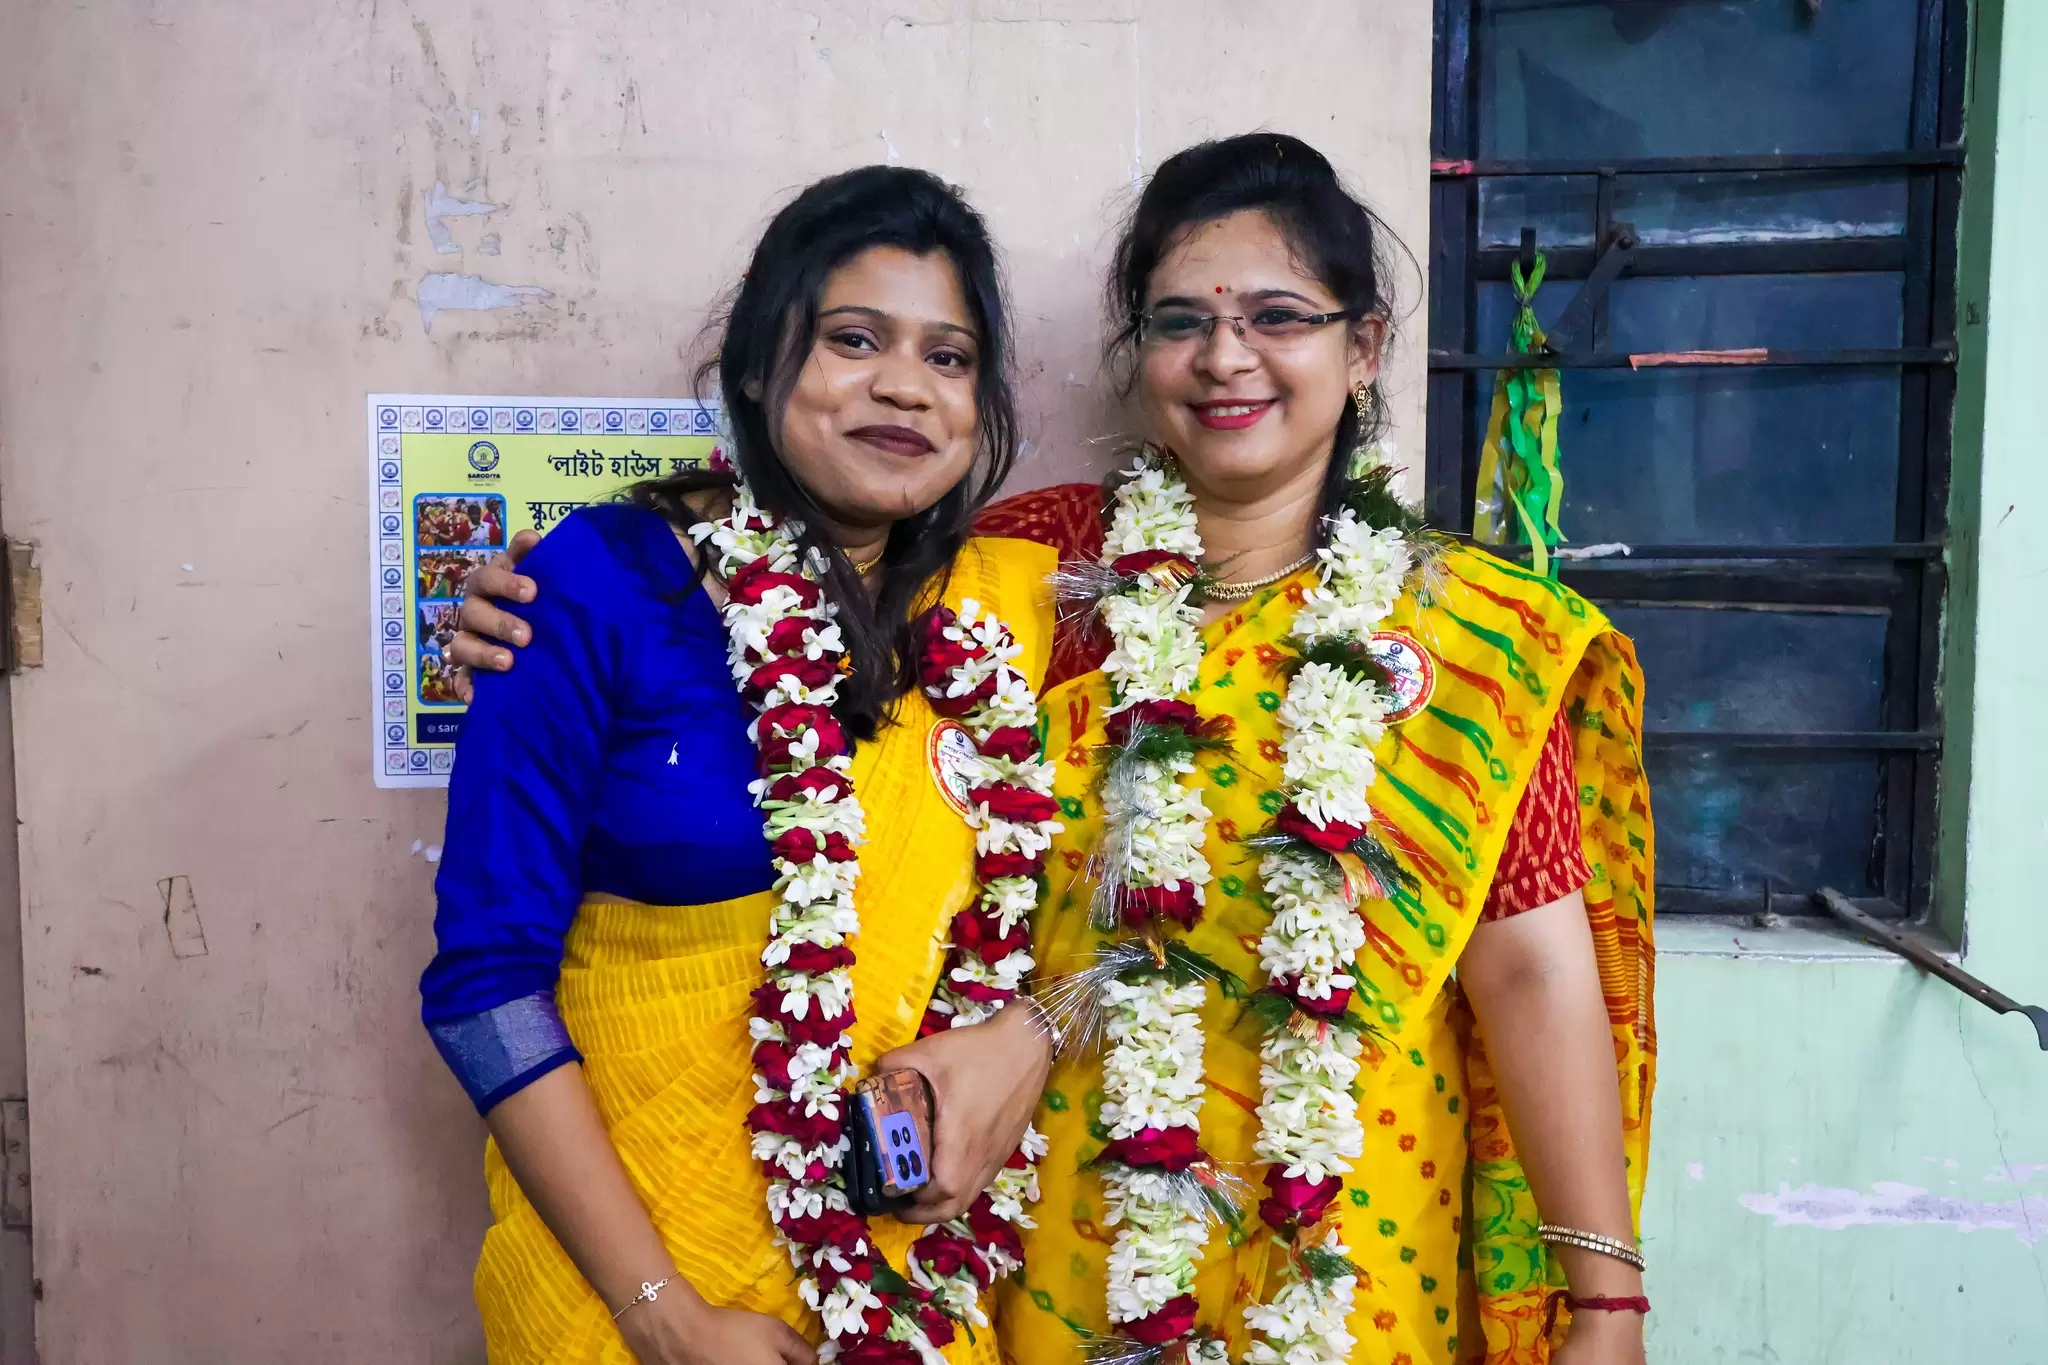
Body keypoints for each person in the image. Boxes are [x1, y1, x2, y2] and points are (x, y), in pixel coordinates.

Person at [454, 135, 1654, 1365]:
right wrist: (538, 613)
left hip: (1346, 1234)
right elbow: (787, 619)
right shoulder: (1038, 574)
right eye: (1180, 321)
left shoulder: (1463, 636)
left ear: (1363, 348)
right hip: (1049, 1242)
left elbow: (1531, 972)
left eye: (1277, 317)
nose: (1225, 357)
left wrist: (1604, 1303)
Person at [423, 165, 1068, 1365]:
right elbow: (484, 990)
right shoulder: (597, 587)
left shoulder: (1012, 609)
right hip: (628, 1300)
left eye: (948, 357)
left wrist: (1031, 1032)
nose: (904, 387)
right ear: (761, 363)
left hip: (910, 1289)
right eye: (853, 339)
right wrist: (660, 1314)